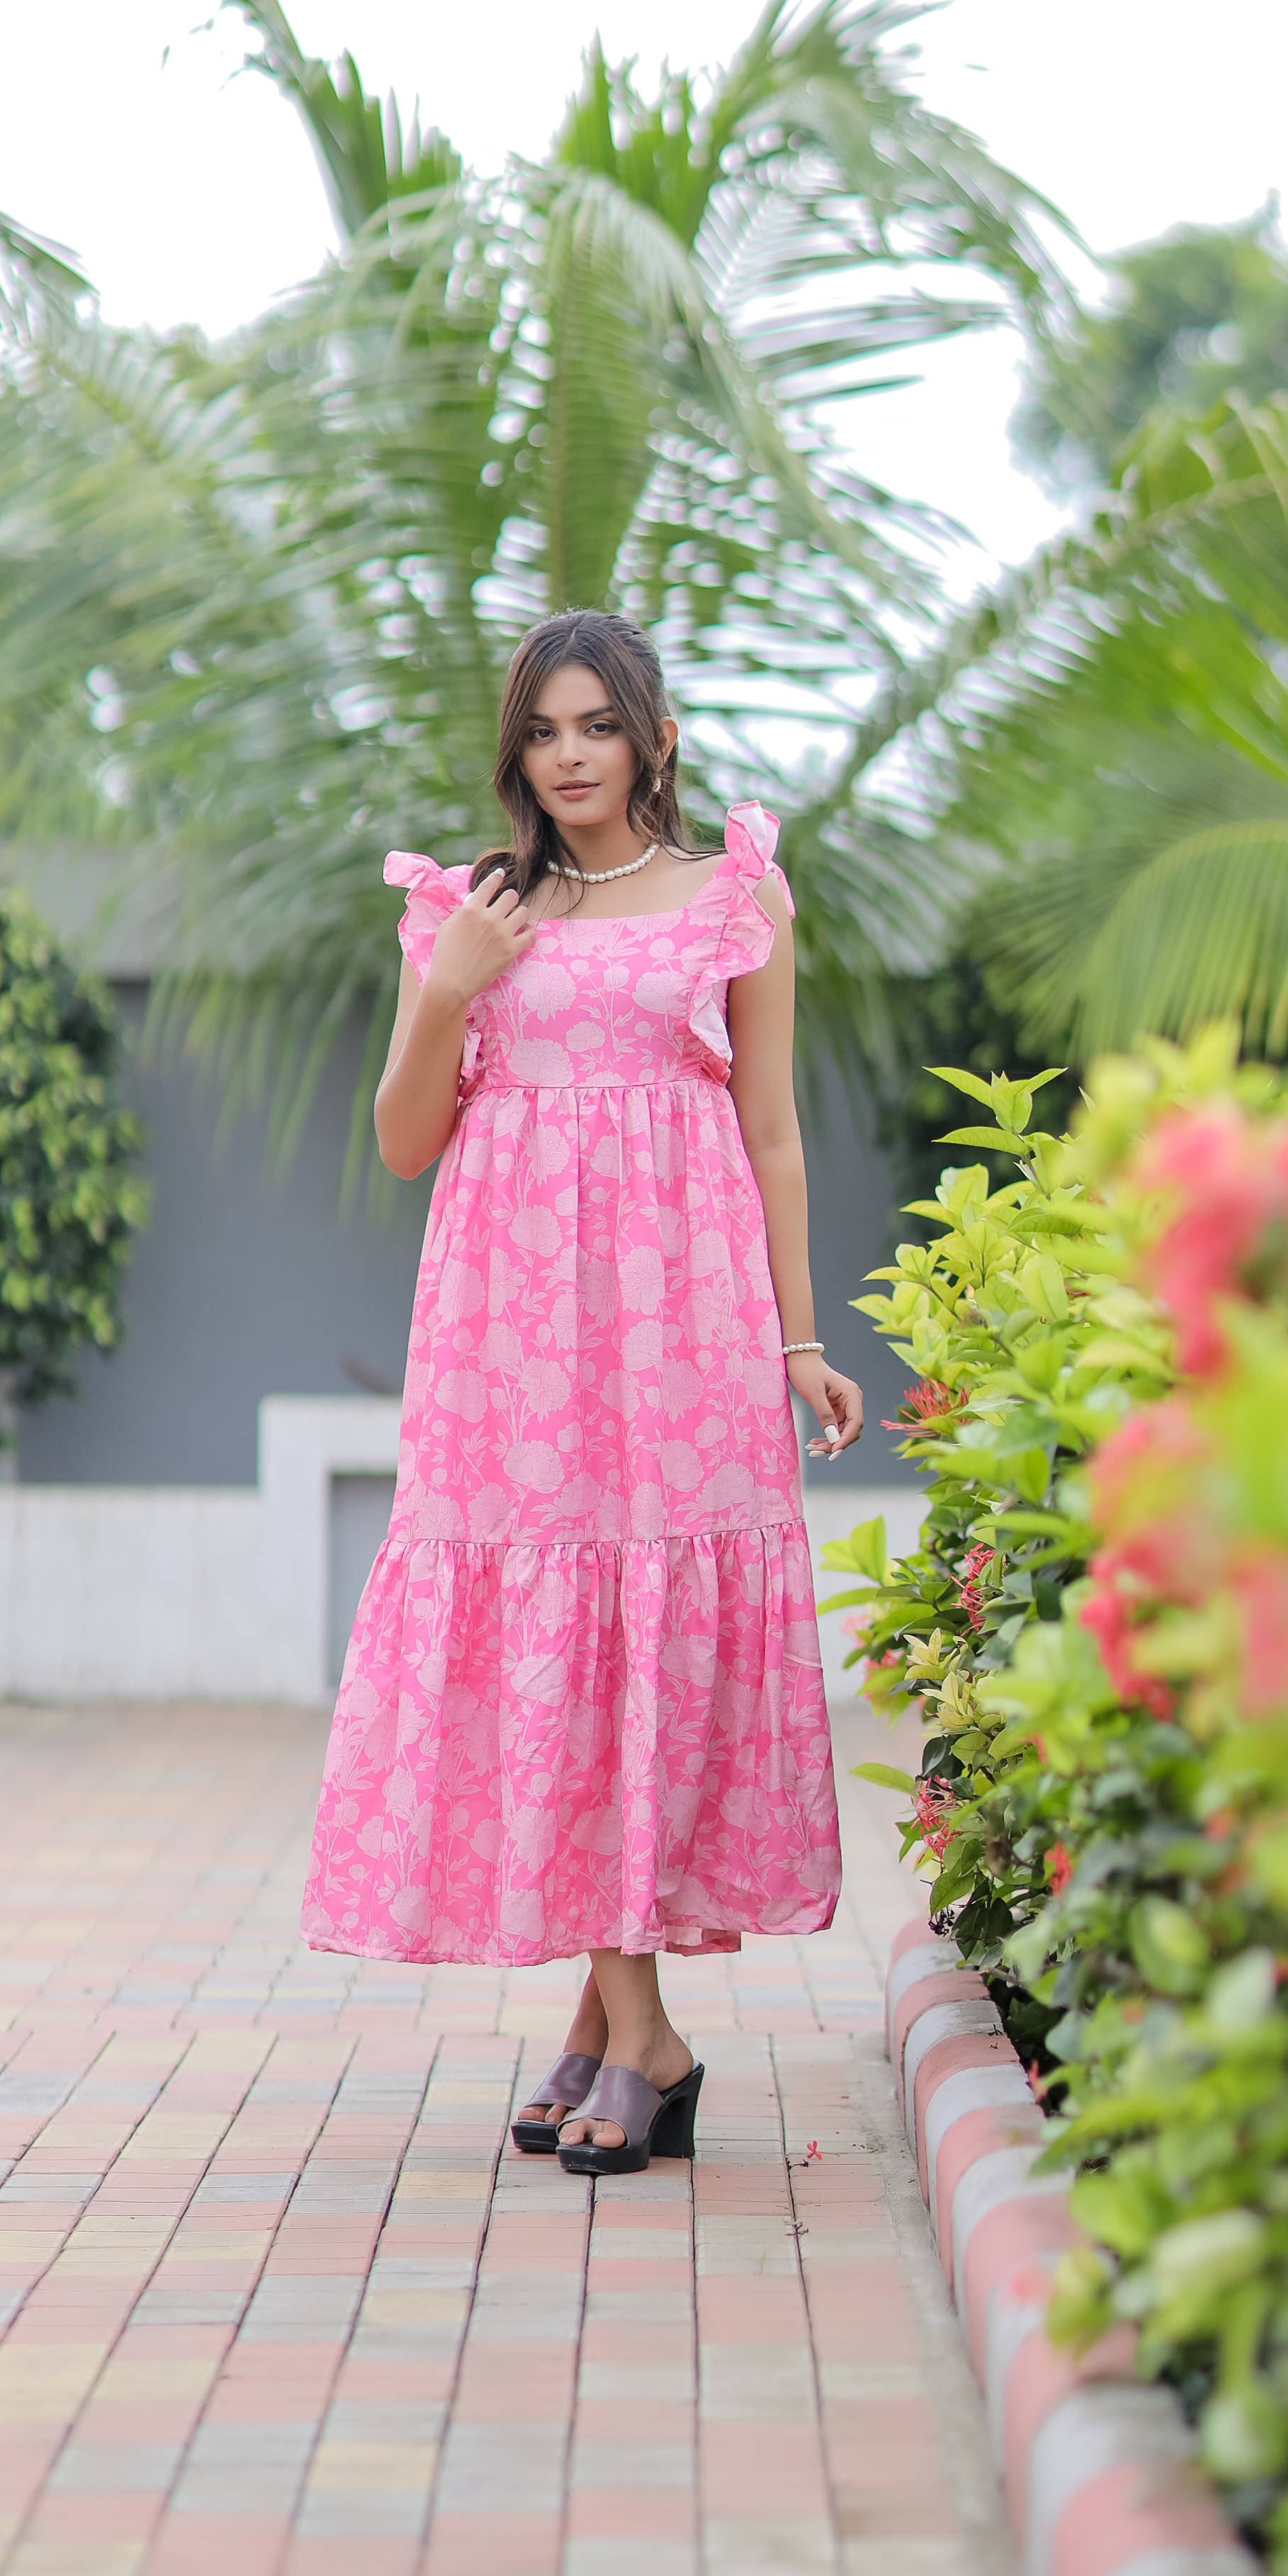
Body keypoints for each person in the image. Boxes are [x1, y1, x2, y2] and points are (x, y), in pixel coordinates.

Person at [301, 609, 861, 2174]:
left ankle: (623, 2030)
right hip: (508, 1329)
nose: (566, 756)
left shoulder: (736, 895)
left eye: (595, 726)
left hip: (681, 1320)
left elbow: (773, 1133)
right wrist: (446, 988)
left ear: (651, 737)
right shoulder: (469, 910)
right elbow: (406, 1140)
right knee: (551, 1624)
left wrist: (795, 1339)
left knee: (641, 1623)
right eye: (542, 730)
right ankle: (637, 2032)